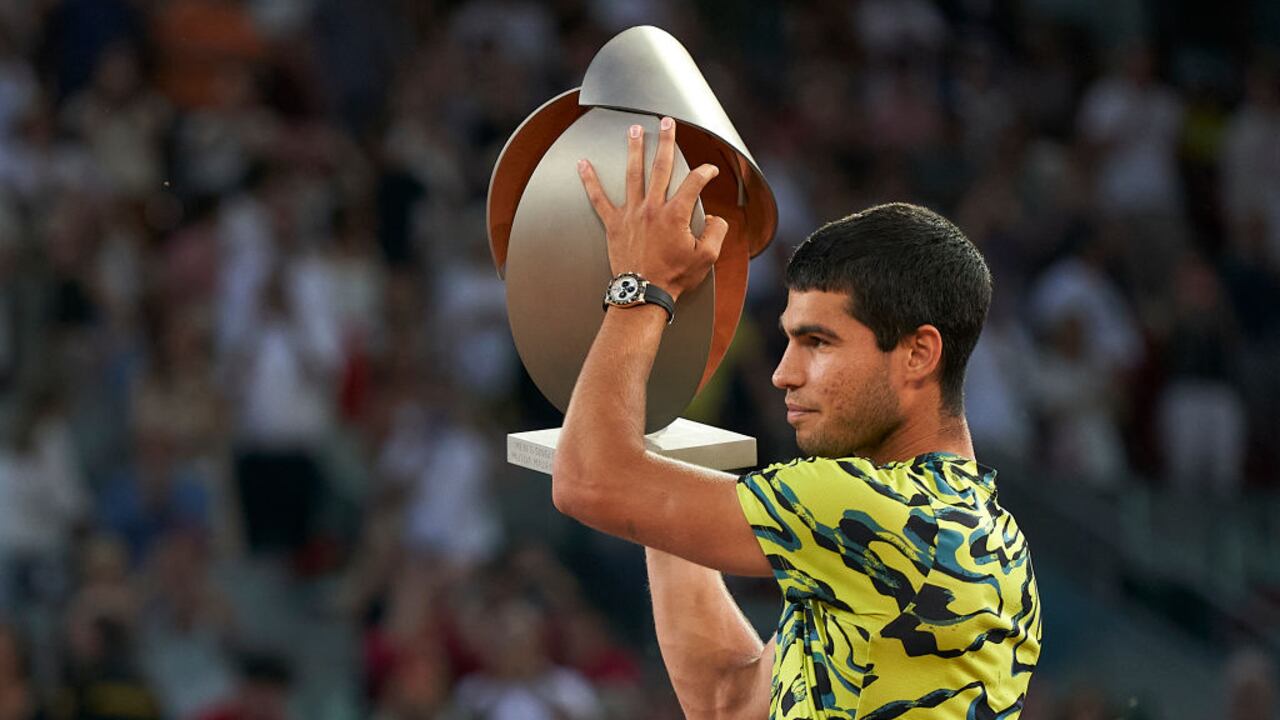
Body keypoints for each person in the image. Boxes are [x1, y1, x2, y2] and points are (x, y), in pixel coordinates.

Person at [553, 117, 1041, 718]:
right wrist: (662, 479)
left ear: (919, 354)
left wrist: (643, 286)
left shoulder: (870, 508)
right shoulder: (980, 537)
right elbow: (726, 700)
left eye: (819, 342)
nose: (783, 373)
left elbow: (588, 481)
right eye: (788, 340)